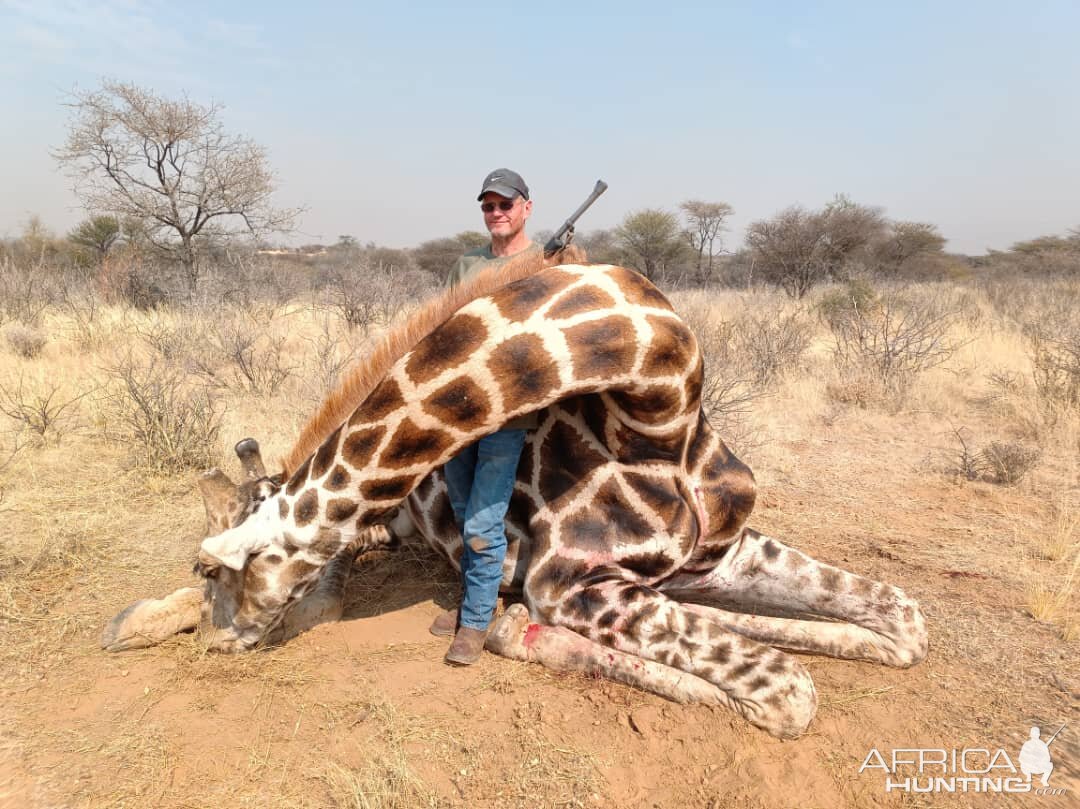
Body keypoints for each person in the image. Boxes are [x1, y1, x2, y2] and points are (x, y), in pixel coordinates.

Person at [432, 168, 541, 665]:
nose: (496, 213)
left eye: (505, 204)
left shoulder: (545, 262)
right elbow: (443, 328)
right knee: (459, 507)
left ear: (526, 208)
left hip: (506, 413)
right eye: (488, 205)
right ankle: (476, 598)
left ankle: (475, 622)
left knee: (482, 519)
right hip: (458, 411)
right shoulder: (466, 265)